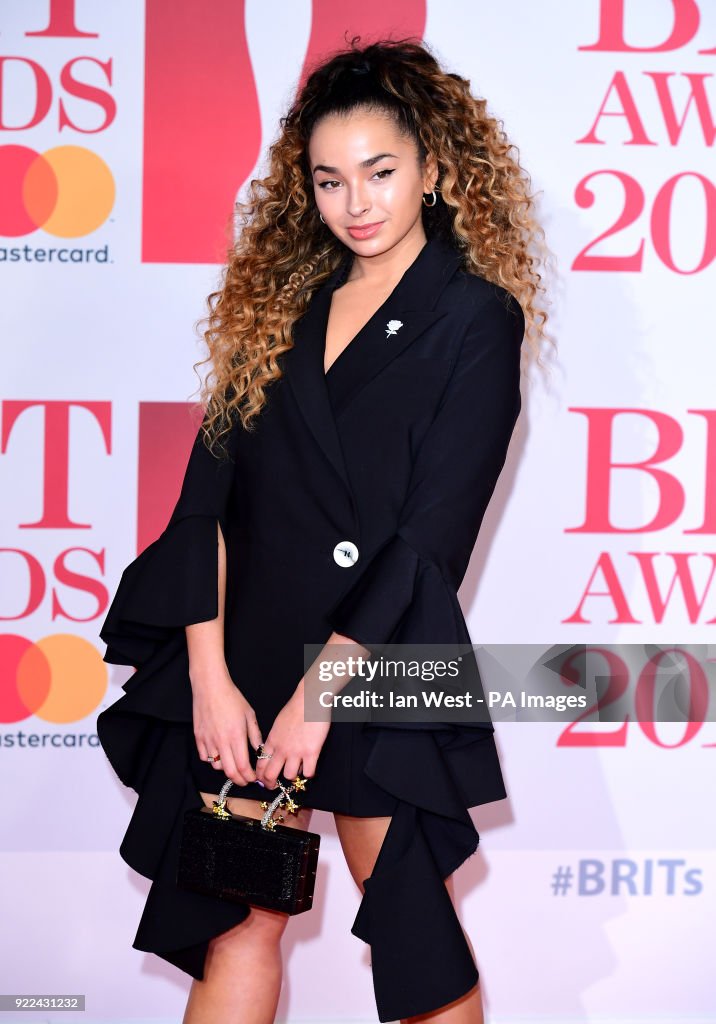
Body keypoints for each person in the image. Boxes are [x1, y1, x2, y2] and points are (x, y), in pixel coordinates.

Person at [97, 36, 549, 1024]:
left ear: (432, 168)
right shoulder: (277, 310)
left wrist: (320, 690)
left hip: (379, 652)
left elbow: (432, 534)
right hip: (244, 656)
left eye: (380, 172)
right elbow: (203, 505)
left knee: (411, 939)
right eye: (330, 179)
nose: (358, 202)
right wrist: (209, 677)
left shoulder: (475, 318)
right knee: (237, 927)